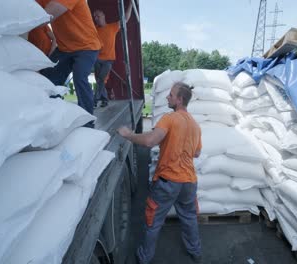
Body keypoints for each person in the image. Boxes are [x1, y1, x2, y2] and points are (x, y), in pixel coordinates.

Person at [117, 82, 203, 264]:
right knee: (189, 217)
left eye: (171, 95)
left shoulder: (169, 118)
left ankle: (144, 258)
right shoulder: (195, 125)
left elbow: (150, 141)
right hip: (189, 182)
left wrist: (128, 135)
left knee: (153, 220)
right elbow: (196, 153)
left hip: (168, 181)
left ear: (179, 100)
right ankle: (195, 251)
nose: (167, 97)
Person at [35, 0, 102, 127]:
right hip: (64, 48)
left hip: (87, 46)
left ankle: (88, 122)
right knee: (48, 79)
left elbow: (44, 17)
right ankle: (54, 113)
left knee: (80, 77)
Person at [92, 2, 133, 107]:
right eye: (94, 16)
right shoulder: (94, 30)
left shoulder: (113, 27)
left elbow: (126, 19)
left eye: (98, 15)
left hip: (108, 60)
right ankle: (105, 100)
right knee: (100, 81)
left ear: (103, 16)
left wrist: (131, 4)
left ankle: (95, 100)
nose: (96, 18)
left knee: (101, 79)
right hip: (97, 59)